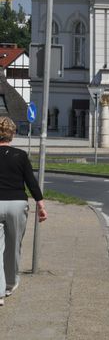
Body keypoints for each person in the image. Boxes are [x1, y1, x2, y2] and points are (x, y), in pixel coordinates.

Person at [0, 117, 48, 306]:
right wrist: (41, 204)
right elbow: (31, 182)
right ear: (12, 134)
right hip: (17, 204)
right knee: (14, 246)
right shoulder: (20, 155)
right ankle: (10, 283)